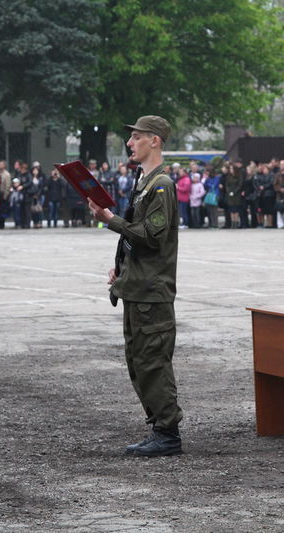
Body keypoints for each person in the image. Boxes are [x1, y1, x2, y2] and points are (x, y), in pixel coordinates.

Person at [88, 115, 183, 457]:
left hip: (152, 292)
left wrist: (109, 220)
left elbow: (151, 237)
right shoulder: (143, 182)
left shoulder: (162, 186)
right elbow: (135, 231)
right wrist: (121, 268)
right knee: (139, 361)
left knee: (153, 361)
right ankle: (160, 427)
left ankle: (168, 434)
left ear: (154, 141)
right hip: (137, 287)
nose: (130, 143)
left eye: (137, 137)